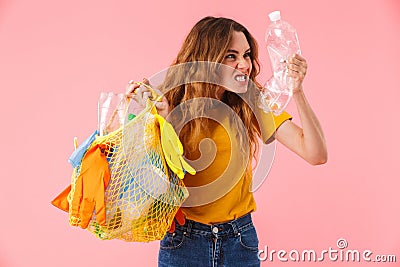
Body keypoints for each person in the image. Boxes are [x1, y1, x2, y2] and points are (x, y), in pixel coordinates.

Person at [126, 16, 327, 267]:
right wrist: (154, 117)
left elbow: (315, 153)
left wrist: (297, 91)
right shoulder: (169, 101)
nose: (244, 65)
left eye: (247, 54)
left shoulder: (253, 102)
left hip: (239, 240)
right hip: (183, 240)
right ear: (206, 57)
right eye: (231, 56)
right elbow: (154, 175)